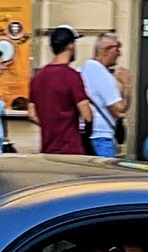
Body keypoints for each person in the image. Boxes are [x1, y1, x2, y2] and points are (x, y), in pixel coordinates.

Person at [28, 27, 95, 157]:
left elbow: (31, 113)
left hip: (47, 149)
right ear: (70, 46)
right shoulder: (71, 76)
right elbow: (86, 114)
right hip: (71, 149)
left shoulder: (37, 77)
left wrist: (50, 124)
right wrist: (87, 129)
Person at [82, 32, 131, 159]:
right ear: (106, 50)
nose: (119, 53)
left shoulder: (85, 68)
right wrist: (126, 85)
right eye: (117, 48)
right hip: (101, 138)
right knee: (106, 176)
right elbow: (120, 109)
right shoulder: (99, 72)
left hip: (91, 136)